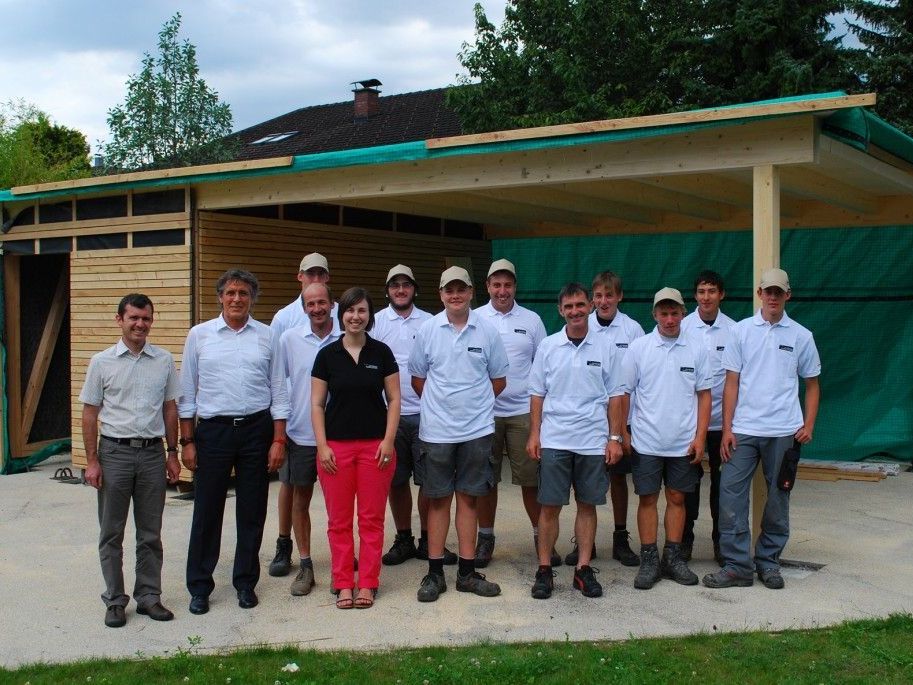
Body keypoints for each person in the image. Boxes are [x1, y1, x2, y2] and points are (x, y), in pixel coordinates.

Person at [179, 269, 289, 615]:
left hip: (256, 430)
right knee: (207, 510)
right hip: (213, 431)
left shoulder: (268, 336)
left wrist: (278, 438)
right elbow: (186, 392)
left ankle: (245, 583)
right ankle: (199, 587)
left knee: (252, 510)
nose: (237, 299)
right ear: (220, 297)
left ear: (252, 298)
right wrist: (187, 441)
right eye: (230, 293)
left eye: (243, 293)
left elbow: (279, 390)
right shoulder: (200, 336)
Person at [704, 268, 821, 590]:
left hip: (784, 432)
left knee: (778, 498)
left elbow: (812, 385)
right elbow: (731, 383)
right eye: (767, 291)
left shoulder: (801, 336)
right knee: (730, 496)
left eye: (778, 292)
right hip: (743, 431)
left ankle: (768, 563)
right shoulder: (741, 332)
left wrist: (808, 424)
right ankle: (738, 566)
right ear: (759, 294)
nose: (772, 297)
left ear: (788, 295)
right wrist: (727, 429)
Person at [408, 266, 509, 603]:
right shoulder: (427, 330)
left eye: (461, 289)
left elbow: (498, 380)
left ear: (470, 293)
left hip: (477, 431)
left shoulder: (488, 331)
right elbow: (418, 379)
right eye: (449, 290)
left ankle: (466, 572)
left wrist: (471, 409)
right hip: (436, 432)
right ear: (440, 294)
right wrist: (444, 409)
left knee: (468, 499)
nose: (455, 295)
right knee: (438, 501)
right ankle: (435, 573)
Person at [80, 293, 181, 627]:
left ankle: (149, 597)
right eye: (134, 318)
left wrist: (172, 452)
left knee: (150, 533)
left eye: (146, 318)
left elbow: (170, 407)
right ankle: (114, 600)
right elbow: (90, 414)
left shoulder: (164, 360)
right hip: (114, 454)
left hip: (152, 454)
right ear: (119, 319)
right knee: (112, 533)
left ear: (152, 321)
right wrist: (92, 460)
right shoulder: (102, 362)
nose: (140, 324)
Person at [527, 283, 625, 599]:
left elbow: (616, 397)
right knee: (549, 507)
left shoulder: (606, 347)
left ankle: (583, 570)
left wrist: (614, 438)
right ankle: (544, 570)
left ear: (590, 306)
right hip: (555, 440)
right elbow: (537, 394)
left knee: (587, 505)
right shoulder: (548, 347)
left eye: (580, 305)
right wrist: (535, 433)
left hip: (592, 441)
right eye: (568, 306)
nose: (575, 311)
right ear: (560, 310)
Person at [311, 287, 400, 609]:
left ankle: (368, 582)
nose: (356, 317)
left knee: (371, 519)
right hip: (336, 450)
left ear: (369, 315)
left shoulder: (382, 353)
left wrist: (388, 441)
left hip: (376, 449)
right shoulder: (327, 355)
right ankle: (343, 581)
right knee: (338, 521)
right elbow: (317, 404)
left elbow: (394, 400)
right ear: (341, 314)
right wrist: (322, 446)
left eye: (362, 311)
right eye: (350, 310)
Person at [621, 287, 712, 590]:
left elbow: (704, 396)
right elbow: (624, 392)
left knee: (676, 498)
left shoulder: (698, 348)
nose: (670, 319)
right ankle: (649, 560)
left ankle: (672, 558)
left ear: (683, 314)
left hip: (682, 442)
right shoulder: (639, 348)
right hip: (646, 441)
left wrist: (700, 437)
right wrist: (623, 432)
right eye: (664, 313)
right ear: (655, 315)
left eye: (675, 313)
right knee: (647, 499)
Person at [372, 265, 458, 567]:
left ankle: (426, 539)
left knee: (429, 480)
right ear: (387, 290)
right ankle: (404, 538)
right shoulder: (376, 322)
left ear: (415, 289)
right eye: (394, 285)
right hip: (389, 416)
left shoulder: (432, 322)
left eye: (406, 284)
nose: (400, 290)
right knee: (396, 480)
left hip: (426, 414)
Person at [474, 258, 551, 568]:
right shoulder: (475, 318)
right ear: (488, 287)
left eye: (507, 284)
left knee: (531, 481)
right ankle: (485, 538)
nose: (502, 290)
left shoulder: (532, 320)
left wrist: (541, 417)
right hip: (484, 413)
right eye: (496, 284)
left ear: (514, 286)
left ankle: (540, 537)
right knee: (484, 481)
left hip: (523, 412)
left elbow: (545, 366)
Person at [565, 271, 643, 568]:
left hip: (620, 420)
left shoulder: (632, 330)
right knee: (583, 482)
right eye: (598, 296)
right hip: (587, 421)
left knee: (618, 478)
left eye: (609, 295)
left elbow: (634, 381)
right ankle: (586, 543)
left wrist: (624, 428)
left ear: (619, 297)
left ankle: (620, 538)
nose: (603, 301)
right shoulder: (584, 325)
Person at [268, 252, 339, 578]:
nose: (314, 279)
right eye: (309, 274)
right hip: (298, 428)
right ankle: (287, 545)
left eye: (320, 275)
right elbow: (277, 380)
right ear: (300, 277)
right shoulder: (284, 322)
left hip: (336, 430)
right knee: (294, 492)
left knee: (339, 502)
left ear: (327, 280)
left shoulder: (344, 322)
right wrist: (279, 431)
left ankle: (341, 556)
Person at [680, 270, 736, 565]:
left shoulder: (734, 330)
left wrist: (730, 425)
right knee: (688, 486)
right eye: (701, 291)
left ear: (721, 294)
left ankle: (721, 542)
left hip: (723, 424)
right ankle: (685, 541)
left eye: (712, 291)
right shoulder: (684, 327)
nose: (706, 297)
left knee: (722, 487)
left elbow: (737, 379)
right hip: (692, 425)